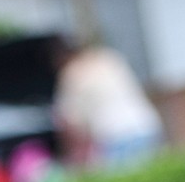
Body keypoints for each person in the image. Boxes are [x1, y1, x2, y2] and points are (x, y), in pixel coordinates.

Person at [53, 37, 165, 170]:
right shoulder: (108, 57)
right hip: (145, 125)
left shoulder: (71, 73)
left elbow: (69, 121)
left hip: (114, 136)